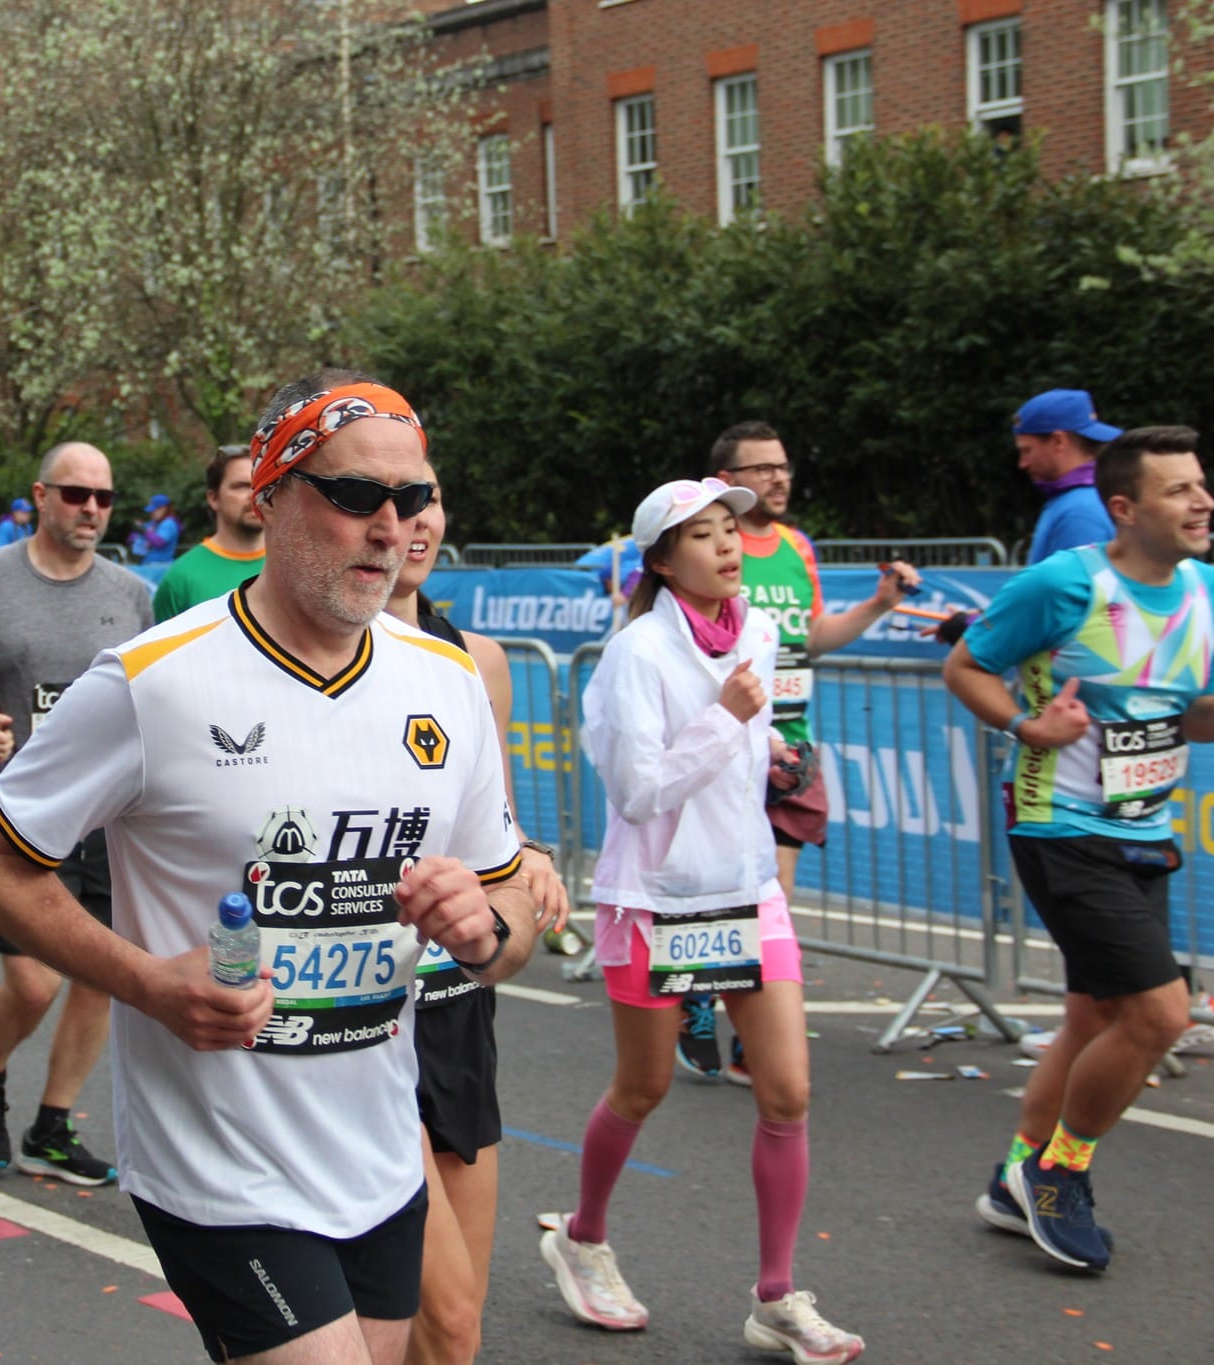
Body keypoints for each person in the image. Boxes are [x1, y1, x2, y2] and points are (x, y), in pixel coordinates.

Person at [0, 372, 531, 1364]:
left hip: (378, 1153)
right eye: (354, 497)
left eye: (412, 497)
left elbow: (504, 896)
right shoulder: (151, 682)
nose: (389, 528)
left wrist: (486, 928)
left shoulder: (447, 684)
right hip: (218, 1163)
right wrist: (147, 984)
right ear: (269, 495)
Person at [540, 476, 863, 1364]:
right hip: (656, 899)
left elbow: (734, 746)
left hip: (747, 889)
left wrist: (769, 749)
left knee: (788, 1092)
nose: (728, 545)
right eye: (704, 534)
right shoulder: (636, 655)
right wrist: (728, 723)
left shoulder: (756, 629)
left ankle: (776, 1295)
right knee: (642, 1088)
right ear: (660, 561)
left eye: (734, 528)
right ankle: (582, 1234)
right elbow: (640, 791)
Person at [943, 426, 1214, 1273]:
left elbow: (1195, 712)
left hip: (1145, 828)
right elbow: (966, 665)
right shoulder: (1066, 584)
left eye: (1203, 486)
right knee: (1159, 1013)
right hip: (1059, 824)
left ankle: (1012, 1179)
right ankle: (1059, 1173)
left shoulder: (1211, 589)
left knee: (1093, 1015)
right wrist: (1031, 724)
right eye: (1180, 490)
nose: (1203, 501)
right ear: (1124, 508)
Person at [0, 442, 154, 1187]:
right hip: (15, 815)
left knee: (100, 975)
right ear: (41, 496)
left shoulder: (132, 593)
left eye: (105, 497)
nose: (91, 509)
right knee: (37, 981)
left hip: (106, 817)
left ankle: (52, 1124)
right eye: (76, 494)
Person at [384, 466, 569, 1364]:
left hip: (454, 1003)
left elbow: (489, 817)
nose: (410, 522)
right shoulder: (300, 655)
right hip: (352, 1017)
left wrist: (529, 860)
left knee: (457, 1329)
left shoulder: (477, 660)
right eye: (385, 502)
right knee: (433, 1315)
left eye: (426, 502)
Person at [683, 421, 919, 1085]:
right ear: (726, 483)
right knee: (716, 884)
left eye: (783, 467)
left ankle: (743, 1040)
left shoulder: (795, 546)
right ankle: (697, 987)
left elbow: (811, 636)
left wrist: (878, 603)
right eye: (762, 469)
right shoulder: (710, 544)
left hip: (791, 746)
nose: (778, 479)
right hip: (728, 741)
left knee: (773, 890)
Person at [152, 445, 267, 623]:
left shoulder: (297, 567)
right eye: (241, 487)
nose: (254, 495)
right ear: (213, 498)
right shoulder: (180, 579)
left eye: (262, 485)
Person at [1016, 389, 1120, 566]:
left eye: (1027, 450)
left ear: (1059, 441)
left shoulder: (1079, 512)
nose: (1022, 463)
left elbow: (1077, 590)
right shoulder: (1095, 494)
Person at [128, 492, 181, 564]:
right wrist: (134, 536)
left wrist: (143, 531)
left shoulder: (169, 523)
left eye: (153, 510)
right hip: (147, 564)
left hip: (161, 566)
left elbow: (159, 542)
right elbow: (133, 538)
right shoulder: (153, 523)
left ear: (163, 509)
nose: (151, 513)